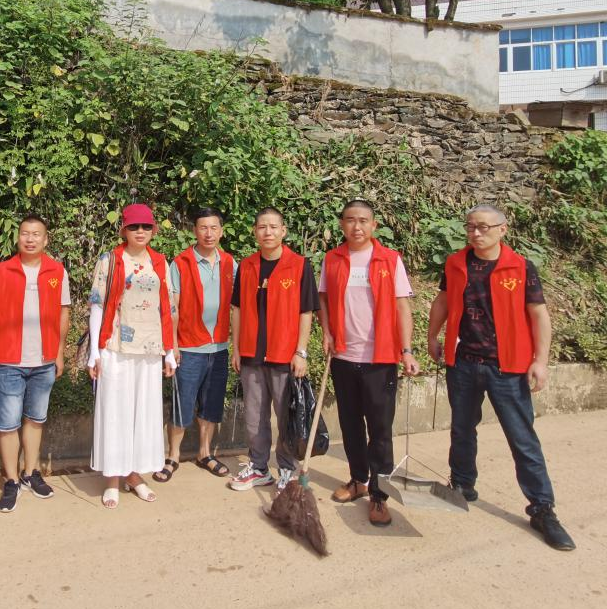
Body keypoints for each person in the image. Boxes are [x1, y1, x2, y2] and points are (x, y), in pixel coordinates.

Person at [427, 203, 575, 551]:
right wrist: (432, 336)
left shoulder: (520, 266)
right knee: (462, 428)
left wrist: (540, 361)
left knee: (522, 438)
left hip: (506, 367)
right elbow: (443, 301)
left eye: (483, 227)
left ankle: (542, 508)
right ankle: (462, 484)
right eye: (470, 227)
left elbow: (538, 315)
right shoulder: (455, 263)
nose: (475, 233)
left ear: (502, 229)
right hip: (463, 363)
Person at [317, 199, 419, 527]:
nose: (357, 226)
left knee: (380, 429)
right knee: (350, 425)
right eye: (350, 220)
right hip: (344, 356)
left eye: (363, 220)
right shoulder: (332, 259)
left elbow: (402, 307)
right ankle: (358, 480)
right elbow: (323, 299)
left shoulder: (390, 259)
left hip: (381, 358)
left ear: (374, 225)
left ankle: (379, 494)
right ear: (342, 224)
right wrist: (326, 332)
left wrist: (406, 350)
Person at [0, 215, 72, 513]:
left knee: (35, 419)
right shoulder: (1, 271)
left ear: (46, 239)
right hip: (9, 360)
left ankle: (30, 473)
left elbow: (64, 314)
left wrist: (59, 352)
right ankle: (11, 481)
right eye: (25, 234)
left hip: (44, 360)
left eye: (36, 234)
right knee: (8, 423)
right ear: (17, 237)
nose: (30, 239)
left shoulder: (57, 272)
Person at [88, 203, 177, 509]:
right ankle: (112, 478)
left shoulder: (160, 262)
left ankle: (134, 474)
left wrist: (169, 352)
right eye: (134, 226)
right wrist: (94, 352)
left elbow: (168, 307)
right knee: (116, 412)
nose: (140, 231)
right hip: (115, 347)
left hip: (150, 349)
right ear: (123, 230)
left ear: (154, 230)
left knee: (143, 413)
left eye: (146, 226)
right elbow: (97, 304)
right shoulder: (110, 260)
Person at [229, 207, 318, 492]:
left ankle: (287, 469)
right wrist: (236, 348)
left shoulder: (299, 265)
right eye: (262, 227)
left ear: (283, 231)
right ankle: (258, 467)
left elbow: (306, 312)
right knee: (254, 417)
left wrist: (301, 352)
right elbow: (237, 309)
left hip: (284, 355)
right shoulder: (247, 266)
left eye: (273, 227)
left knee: (286, 415)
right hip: (251, 353)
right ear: (255, 232)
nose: (267, 232)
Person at [158, 207, 234, 483]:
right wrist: (173, 345)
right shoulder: (181, 263)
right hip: (189, 347)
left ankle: (205, 453)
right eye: (203, 228)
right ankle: (173, 456)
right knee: (182, 403)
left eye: (214, 228)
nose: (209, 233)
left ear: (221, 231)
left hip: (219, 347)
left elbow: (237, 306)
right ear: (194, 231)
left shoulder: (230, 263)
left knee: (211, 405)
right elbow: (173, 307)